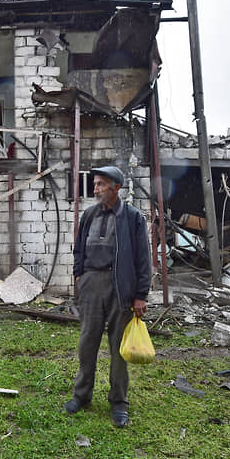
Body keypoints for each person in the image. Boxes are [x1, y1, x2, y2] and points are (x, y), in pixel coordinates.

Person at [64, 165, 152, 428]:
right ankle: (82, 395)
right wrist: (79, 275)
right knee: (87, 343)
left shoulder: (133, 218)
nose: (95, 188)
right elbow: (78, 249)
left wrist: (140, 295)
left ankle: (119, 402)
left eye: (101, 184)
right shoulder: (89, 215)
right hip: (91, 284)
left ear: (116, 188)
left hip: (120, 287)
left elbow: (143, 259)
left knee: (118, 348)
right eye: (95, 184)